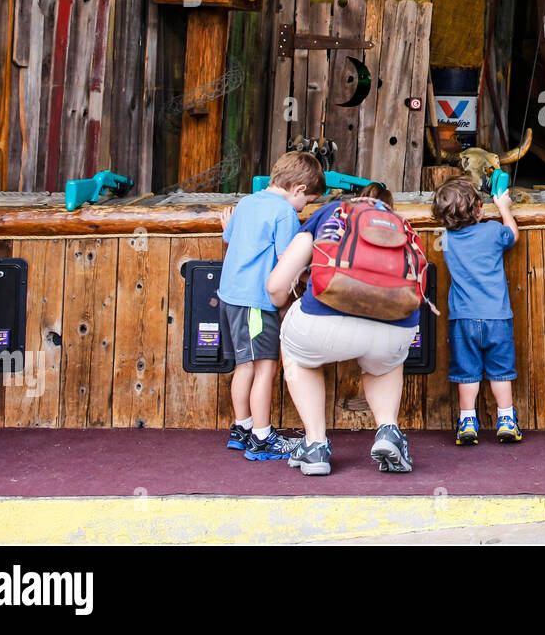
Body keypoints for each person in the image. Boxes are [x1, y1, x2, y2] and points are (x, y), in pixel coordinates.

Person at [265, 182, 418, 477]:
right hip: (396, 326)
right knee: (385, 365)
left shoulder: (329, 213)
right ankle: (388, 431)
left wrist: (285, 299)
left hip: (324, 321)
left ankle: (316, 445)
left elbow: (276, 287)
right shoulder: (401, 224)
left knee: (295, 349)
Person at [218, 150, 325, 461]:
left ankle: (242, 427)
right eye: (307, 202)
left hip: (230, 298)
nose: (304, 208)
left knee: (244, 366)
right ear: (299, 190)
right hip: (256, 302)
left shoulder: (248, 202)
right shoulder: (285, 213)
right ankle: (262, 438)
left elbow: (231, 235)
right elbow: (287, 260)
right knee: (266, 367)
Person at [432, 176, 523, 446]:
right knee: (500, 371)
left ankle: (467, 421)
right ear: (478, 210)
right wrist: (504, 207)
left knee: (467, 372)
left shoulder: (447, 239)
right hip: (497, 317)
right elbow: (513, 236)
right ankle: (506, 419)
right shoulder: (493, 232)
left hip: (463, 319)